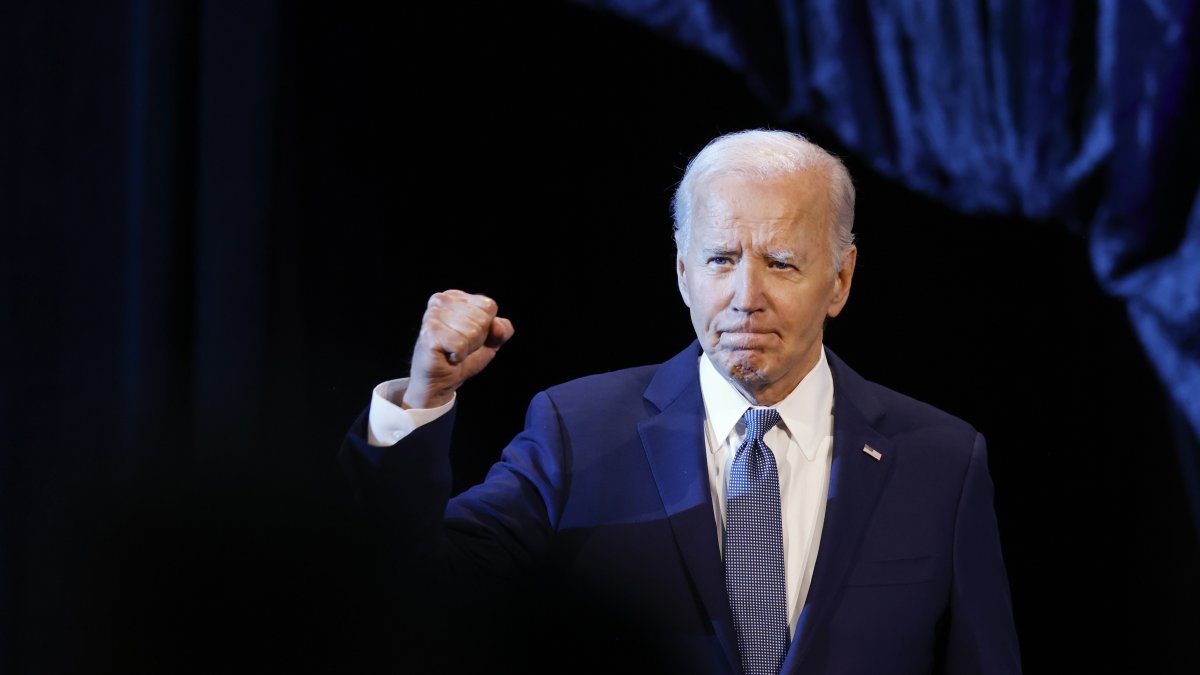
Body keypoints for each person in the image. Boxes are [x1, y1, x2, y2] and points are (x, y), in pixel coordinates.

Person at [337, 129, 1022, 674]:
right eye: (721, 258)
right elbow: (414, 578)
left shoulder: (941, 462)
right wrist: (425, 395)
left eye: (781, 261)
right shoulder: (578, 432)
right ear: (681, 271)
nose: (746, 295)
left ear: (839, 279)